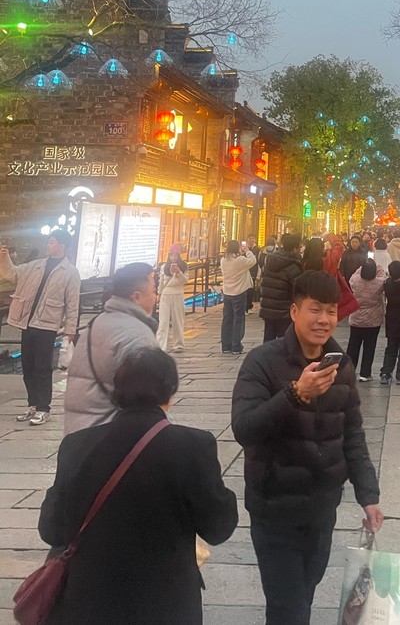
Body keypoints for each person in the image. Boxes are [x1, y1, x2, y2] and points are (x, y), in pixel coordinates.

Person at [40, 348, 237, 624]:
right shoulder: (192, 446)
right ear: (169, 391)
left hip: (88, 605)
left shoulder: (76, 445)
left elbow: (51, 529)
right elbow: (218, 527)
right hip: (165, 606)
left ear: (117, 392)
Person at [232, 271, 383, 625]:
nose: (324, 319)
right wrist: (296, 394)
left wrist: (368, 494)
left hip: (321, 508)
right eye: (315, 309)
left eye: (331, 311)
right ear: (294, 311)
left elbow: (353, 432)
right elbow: (244, 429)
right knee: (289, 609)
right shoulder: (262, 362)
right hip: (275, 509)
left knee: (305, 594)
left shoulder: (340, 364)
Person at [64, 262, 158, 435]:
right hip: (110, 435)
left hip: (79, 432)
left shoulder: (96, 323)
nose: (155, 297)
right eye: (153, 291)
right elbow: (146, 400)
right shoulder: (137, 335)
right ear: (136, 296)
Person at [0, 230, 80, 427]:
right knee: (28, 367)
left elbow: (73, 303)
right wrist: (4, 258)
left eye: (52, 242)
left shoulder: (70, 272)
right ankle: (33, 405)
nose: (48, 245)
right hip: (27, 322)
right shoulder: (36, 265)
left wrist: (70, 330)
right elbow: (12, 274)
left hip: (47, 324)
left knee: (42, 368)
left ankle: (44, 408)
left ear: (62, 245)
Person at [346, 257, 388, 381]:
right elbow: (383, 276)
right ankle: (365, 373)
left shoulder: (355, 281)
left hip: (356, 318)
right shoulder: (379, 283)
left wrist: (364, 265)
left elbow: (355, 273)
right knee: (369, 347)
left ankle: (349, 372)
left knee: (353, 346)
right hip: (373, 320)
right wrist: (377, 266)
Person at [260, 233, 304, 341]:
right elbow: (296, 289)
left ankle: (267, 353)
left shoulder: (270, 259)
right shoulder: (293, 265)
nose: (300, 249)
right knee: (284, 341)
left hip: (268, 308)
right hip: (284, 310)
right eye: (299, 247)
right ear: (294, 249)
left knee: (268, 340)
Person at [220, 240, 257, 355]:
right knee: (238, 319)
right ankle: (236, 346)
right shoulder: (240, 260)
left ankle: (226, 345)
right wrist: (247, 251)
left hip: (227, 292)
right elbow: (253, 261)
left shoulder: (223, 260)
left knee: (227, 319)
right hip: (239, 293)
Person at [156, 243, 188, 353]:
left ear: (179, 256)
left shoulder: (184, 266)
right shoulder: (164, 267)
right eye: (171, 255)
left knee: (178, 320)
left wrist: (179, 272)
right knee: (163, 322)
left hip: (178, 293)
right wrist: (159, 294)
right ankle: (161, 346)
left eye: (175, 255)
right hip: (166, 294)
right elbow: (161, 282)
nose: (173, 257)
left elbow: (185, 280)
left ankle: (178, 344)